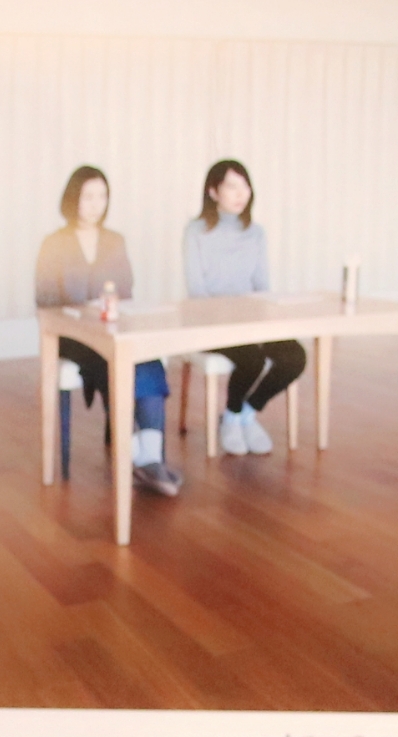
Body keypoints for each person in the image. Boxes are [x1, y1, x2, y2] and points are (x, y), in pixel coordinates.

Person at [36, 164, 179, 495]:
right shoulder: (54, 243)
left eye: (102, 196)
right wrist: (81, 311)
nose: (95, 204)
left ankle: (149, 458)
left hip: (111, 326)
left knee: (147, 359)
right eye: (88, 197)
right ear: (73, 199)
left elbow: (125, 290)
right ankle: (136, 457)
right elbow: (44, 300)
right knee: (110, 361)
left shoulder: (115, 241)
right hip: (73, 334)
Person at [179, 158, 307, 456]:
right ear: (213, 192)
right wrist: (230, 319)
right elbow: (197, 290)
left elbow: (262, 286)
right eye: (231, 187)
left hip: (250, 321)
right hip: (209, 321)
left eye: (245, 186)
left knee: (295, 356)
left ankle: (243, 415)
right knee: (252, 359)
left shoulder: (256, 233)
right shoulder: (195, 231)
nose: (241, 194)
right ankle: (232, 419)